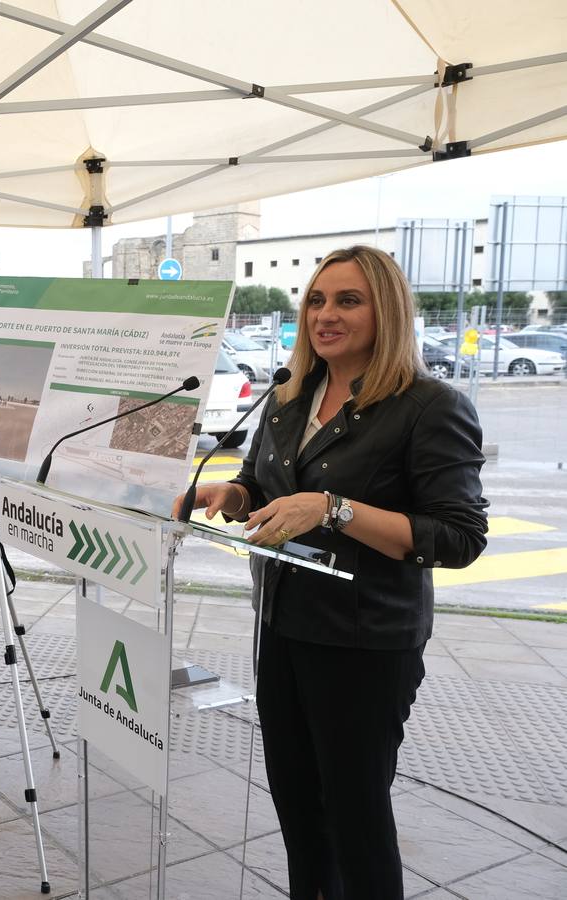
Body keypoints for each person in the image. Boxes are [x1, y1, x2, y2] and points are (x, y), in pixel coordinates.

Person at [179, 246, 488, 899]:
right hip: (283, 628)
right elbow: (260, 486)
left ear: (388, 311)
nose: (325, 315)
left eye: (347, 300)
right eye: (316, 301)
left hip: (366, 642)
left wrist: (335, 509)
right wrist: (229, 498)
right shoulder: (289, 397)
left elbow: (459, 538)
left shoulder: (430, 407)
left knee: (354, 818)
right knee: (298, 811)